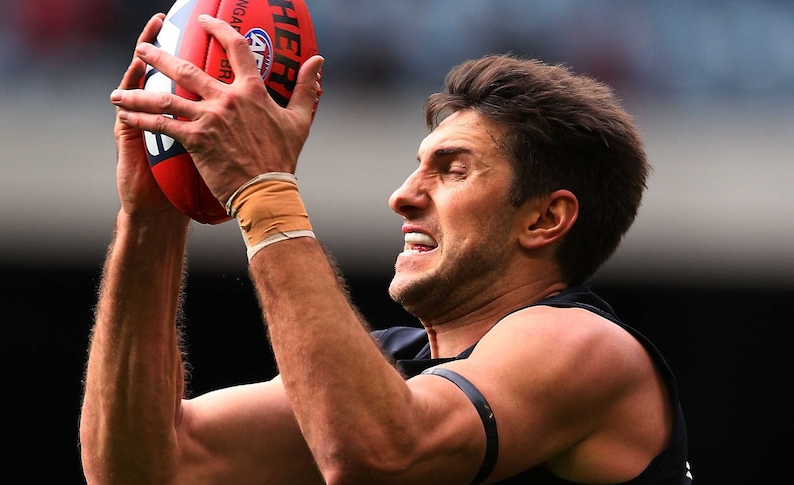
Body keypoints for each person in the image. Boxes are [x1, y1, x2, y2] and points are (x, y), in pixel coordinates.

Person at [79, 12, 692, 485]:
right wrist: (149, 218)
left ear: (545, 219)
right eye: (417, 166)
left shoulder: (583, 345)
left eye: (453, 170)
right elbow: (146, 466)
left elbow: (380, 456)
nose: (402, 196)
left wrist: (262, 189)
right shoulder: (390, 370)